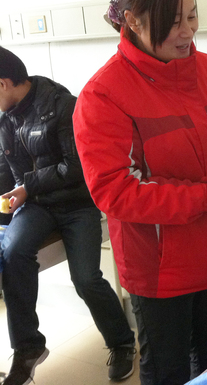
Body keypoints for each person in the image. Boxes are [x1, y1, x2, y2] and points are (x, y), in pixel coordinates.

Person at [72, 0, 207, 385]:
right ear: (133, 22)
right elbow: (116, 191)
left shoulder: (203, 68)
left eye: (192, 16)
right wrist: (206, 197)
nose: (188, 31)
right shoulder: (104, 95)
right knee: (167, 371)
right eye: (173, 22)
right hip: (159, 270)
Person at [0, 46, 136, 385]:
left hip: (77, 204)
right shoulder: (6, 118)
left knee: (86, 278)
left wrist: (28, 186)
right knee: (12, 253)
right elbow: (5, 171)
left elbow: (77, 167)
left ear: (3, 83)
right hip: (35, 205)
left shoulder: (63, 105)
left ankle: (122, 342)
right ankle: (28, 347)